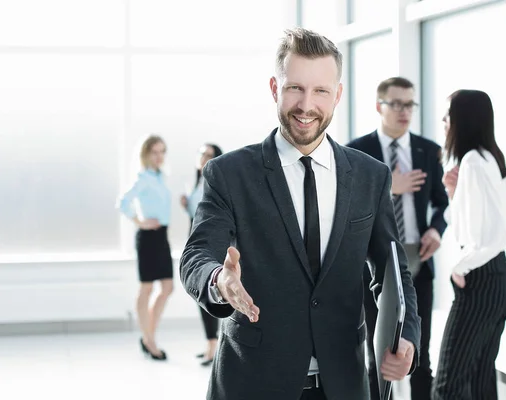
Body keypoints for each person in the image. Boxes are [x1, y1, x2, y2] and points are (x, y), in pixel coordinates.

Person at [179, 28, 421, 400]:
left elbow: (392, 269)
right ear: (275, 88)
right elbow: (197, 254)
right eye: (295, 88)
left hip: (344, 383)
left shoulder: (371, 176)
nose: (307, 105)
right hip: (254, 382)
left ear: (337, 95)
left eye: (320, 91)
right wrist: (218, 280)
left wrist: (406, 335)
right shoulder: (229, 174)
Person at [347, 77, 448, 400]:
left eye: (410, 104)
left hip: (418, 258)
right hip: (373, 266)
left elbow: (443, 202)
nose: (405, 111)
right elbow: (348, 203)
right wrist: (391, 187)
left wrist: (436, 229)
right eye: (397, 104)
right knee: (377, 355)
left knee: (419, 352)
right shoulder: (357, 151)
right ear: (380, 106)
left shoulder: (429, 151)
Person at [433, 90, 506, 399]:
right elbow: (472, 226)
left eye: (448, 115)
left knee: (447, 386)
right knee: (480, 386)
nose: (443, 122)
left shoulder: (472, 161)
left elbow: (488, 237)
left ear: (462, 120)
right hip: (499, 281)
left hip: (481, 280)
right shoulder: (488, 158)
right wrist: (454, 194)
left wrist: (460, 267)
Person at [117, 135, 174, 361]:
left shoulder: (159, 177)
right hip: (148, 238)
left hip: (162, 237)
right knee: (146, 289)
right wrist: (140, 221)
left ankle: (148, 336)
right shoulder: (143, 178)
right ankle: (149, 340)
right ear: (146, 154)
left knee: (167, 288)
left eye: (162, 151)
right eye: (155, 152)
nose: (159, 156)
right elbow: (122, 202)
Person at [180, 143, 223, 366]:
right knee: (201, 294)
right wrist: (186, 205)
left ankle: (214, 346)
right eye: (201, 154)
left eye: (208, 155)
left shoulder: (215, 181)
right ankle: (210, 344)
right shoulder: (197, 182)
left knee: (212, 291)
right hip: (194, 241)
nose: (203, 158)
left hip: (210, 244)